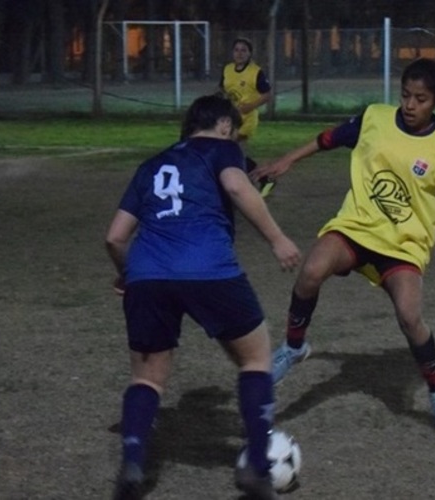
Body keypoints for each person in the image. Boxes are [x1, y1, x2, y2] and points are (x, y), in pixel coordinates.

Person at [250, 57, 435, 437]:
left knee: (410, 316)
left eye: (421, 99)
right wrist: (286, 161)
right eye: (405, 96)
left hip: (403, 246)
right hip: (356, 228)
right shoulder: (374, 119)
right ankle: (294, 346)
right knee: (311, 271)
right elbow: (328, 139)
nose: (410, 105)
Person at [105, 94, 301, 500]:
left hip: (147, 275)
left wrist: (130, 274)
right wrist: (277, 238)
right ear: (225, 126)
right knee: (255, 358)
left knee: (147, 379)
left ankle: (133, 462)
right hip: (208, 269)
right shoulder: (223, 148)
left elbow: (115, 236)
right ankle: (259, 470)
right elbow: (235, 185)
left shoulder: (152, 164)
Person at [219, 37, 277, 197]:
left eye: (243, 50)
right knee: (234, 154)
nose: (239, 53)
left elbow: (267, 95)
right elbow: (223, 90)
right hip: (230, 119)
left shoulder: (255, 72)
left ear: (250, 53)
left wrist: (251, 106)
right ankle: (263, 178)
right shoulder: (227, 69)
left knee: (231, 150)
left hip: (247, 120)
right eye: (237, 50)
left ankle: (250, 184)